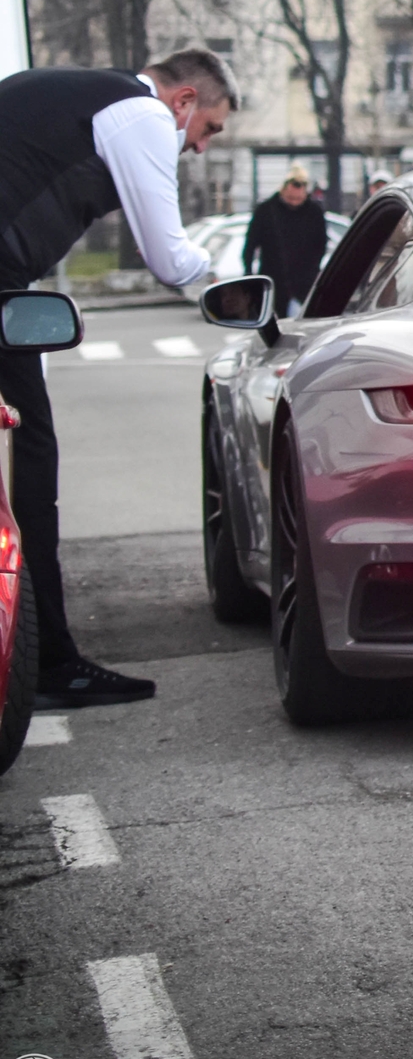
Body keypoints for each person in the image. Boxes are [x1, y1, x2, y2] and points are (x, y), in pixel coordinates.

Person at [0, 50, 229, 705]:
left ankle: (44, 655)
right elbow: (169, 258)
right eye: (208, 129)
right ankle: (49, 662)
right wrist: (219, 269)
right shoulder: (141, 114)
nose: (200, 148)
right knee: (32, 455)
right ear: (183, 99)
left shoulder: (67, 92)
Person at [243, 164, 328, 316]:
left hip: (304, 282)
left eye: (298, 198)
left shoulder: (314, 212)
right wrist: (249, 274)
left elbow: (321, 244)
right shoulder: (266, 210)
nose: (294, 202)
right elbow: (250, 244)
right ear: (283, 189)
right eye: (291, 198)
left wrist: (313, 270)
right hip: (273, 280)